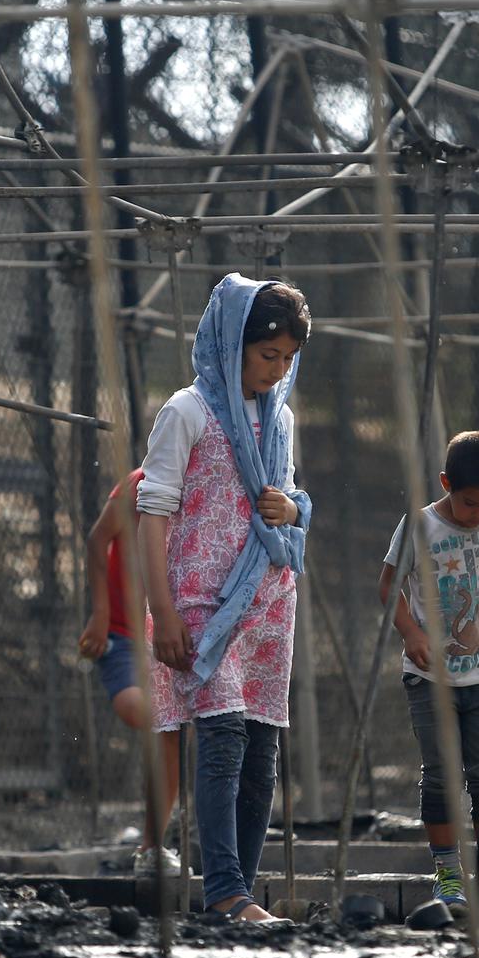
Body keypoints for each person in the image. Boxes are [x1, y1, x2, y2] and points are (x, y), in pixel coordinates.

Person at [138, 275, 313, 924]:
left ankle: (238, 893)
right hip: (203, 605)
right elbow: (152, 512)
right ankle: (225, 891)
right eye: (268, 355)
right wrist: (164, 610)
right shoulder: (187, 412)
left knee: (261, 752)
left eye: (288, 360)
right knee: (220, 739)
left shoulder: (280, 418)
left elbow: (288, 505)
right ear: (233, 341)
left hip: (268, 603)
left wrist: (290, 506)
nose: (277, 370)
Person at [379, 431, 479, 921]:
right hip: (431, 678)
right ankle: (448, 875)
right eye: (471, 503)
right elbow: (389, 586)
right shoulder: (420, 526)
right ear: (447, 483)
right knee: (442, 775)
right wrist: (411, 632)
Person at [79, 468, 185, 876]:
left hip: (168, 635)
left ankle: (153, 845)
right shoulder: (141, 482)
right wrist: (101, 614)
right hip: (122, 635)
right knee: (146, 713)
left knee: (170, 729)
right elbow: (96, 540)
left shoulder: (210, 486)